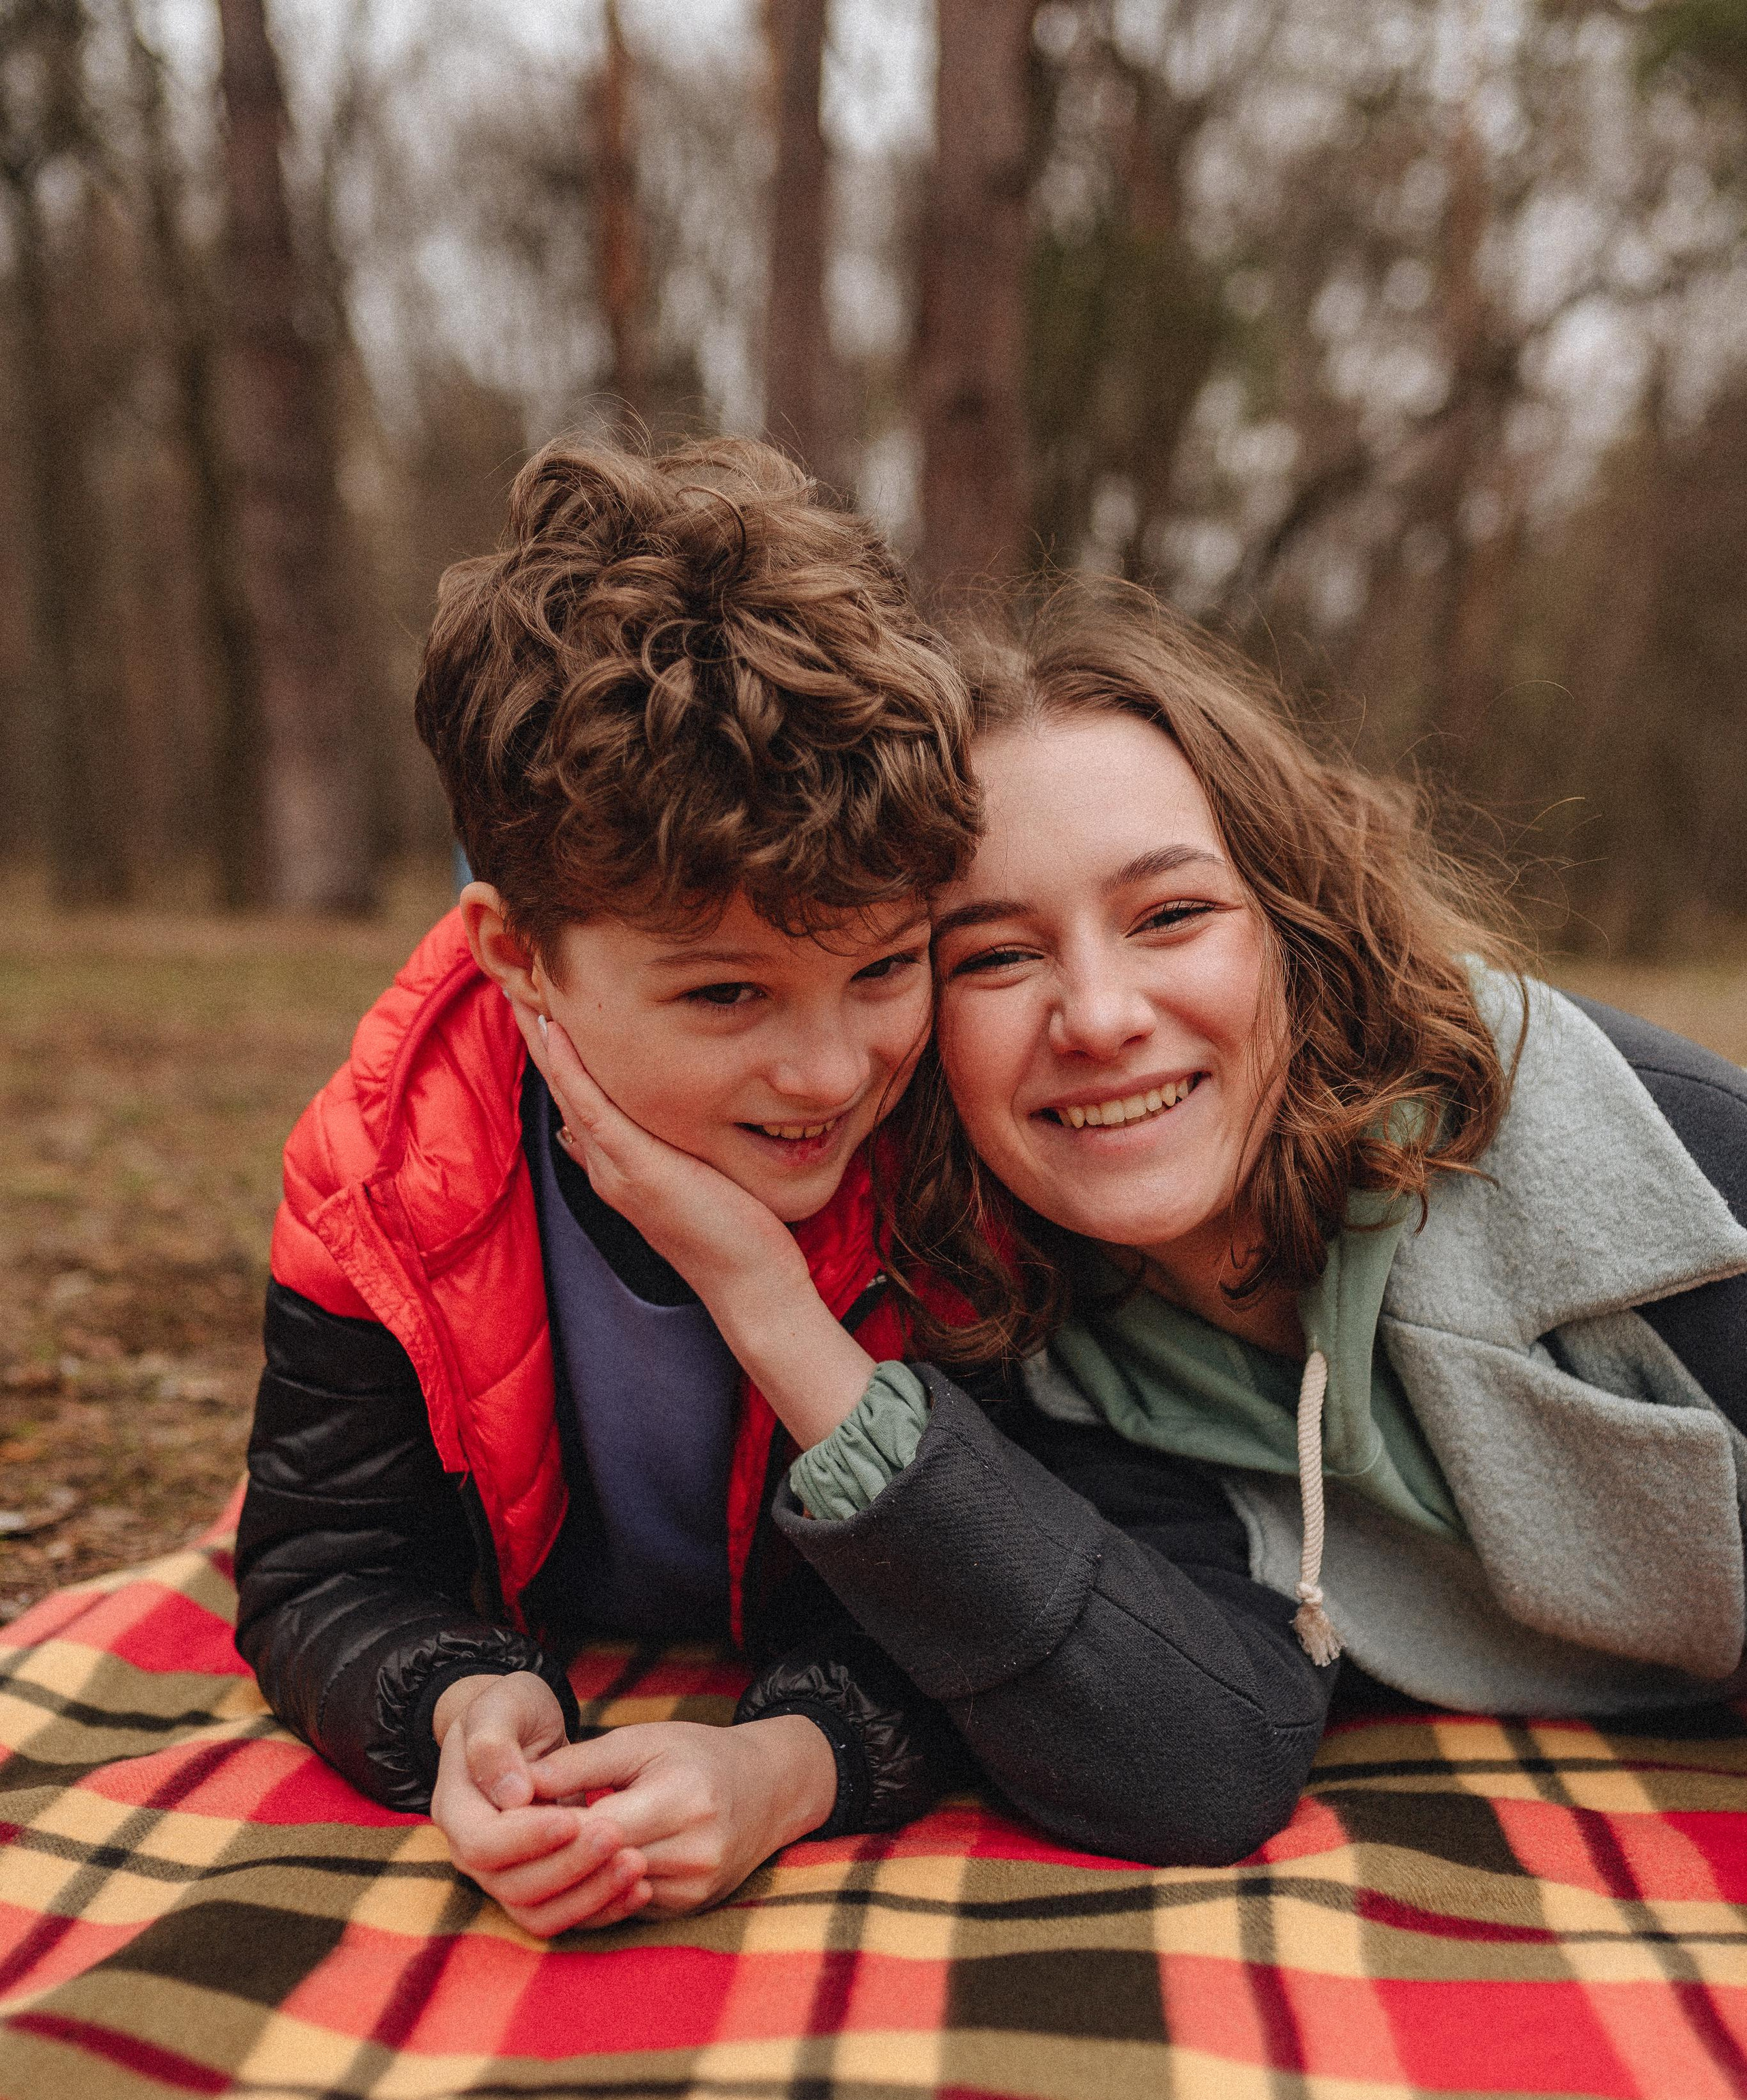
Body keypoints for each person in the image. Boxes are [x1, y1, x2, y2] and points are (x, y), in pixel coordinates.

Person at [522, 581, 1747, 1872]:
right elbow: (1198, 1760)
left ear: (1296, 930)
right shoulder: (1056, 1335)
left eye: (1171, 916)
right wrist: (770, 1304)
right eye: (995, 957)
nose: (1099, 1017)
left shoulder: (1627, 1151)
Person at [233, 433, 982, 1938]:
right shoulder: (383, 1177)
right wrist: (455, 1695)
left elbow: (1036, 1588)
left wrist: (788, 1761)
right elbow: (323, 1563)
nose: (832, 1072)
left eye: (883, 966)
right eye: (726, 996)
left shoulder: (970, 1144)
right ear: (518, 956)